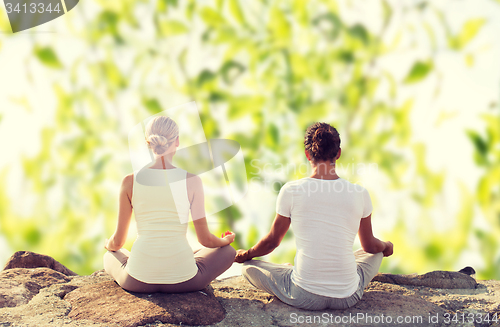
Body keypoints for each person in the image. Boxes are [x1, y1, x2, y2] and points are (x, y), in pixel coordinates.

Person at [234, 122, 393, 310]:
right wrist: (386, 246)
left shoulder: (291, 190)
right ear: (339, 153)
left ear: (307, 154)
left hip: (304, 295)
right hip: (348, 296)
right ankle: (317, 273)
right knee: (375, 254)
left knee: (247, 268)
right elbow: (369, 245)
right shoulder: (360, 193)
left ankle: (291, 272)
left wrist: (246, 254)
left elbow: (272, 242)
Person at [103, 116, 236, 293]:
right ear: (178, 141)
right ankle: (183, 260)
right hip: (185, 281)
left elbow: (118, 242)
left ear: (148, 143)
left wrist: (108, 245)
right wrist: (224, 240)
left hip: (137, 281)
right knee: (228, 252)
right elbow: (205, 239)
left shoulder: (129, 181)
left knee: (110, 255)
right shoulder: (192, 181)